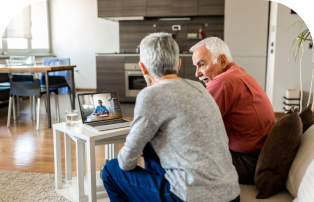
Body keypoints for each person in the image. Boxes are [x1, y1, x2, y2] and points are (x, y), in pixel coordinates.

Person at [101, 33, 240, 202]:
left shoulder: (150, 95)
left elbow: (126, 162)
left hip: (191, 198)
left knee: (110, 169)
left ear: (142, 67)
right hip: (231, 195)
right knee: (152, 147)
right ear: (179, 64)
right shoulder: (199, 87)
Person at [190, 37, 276, 185]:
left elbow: (192, 125)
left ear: (222, 61)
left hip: (247, 163)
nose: (197, 74)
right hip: (259, 157)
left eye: (201, 65)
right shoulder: (240, 74)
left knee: (163, 145)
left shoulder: (222, 82)